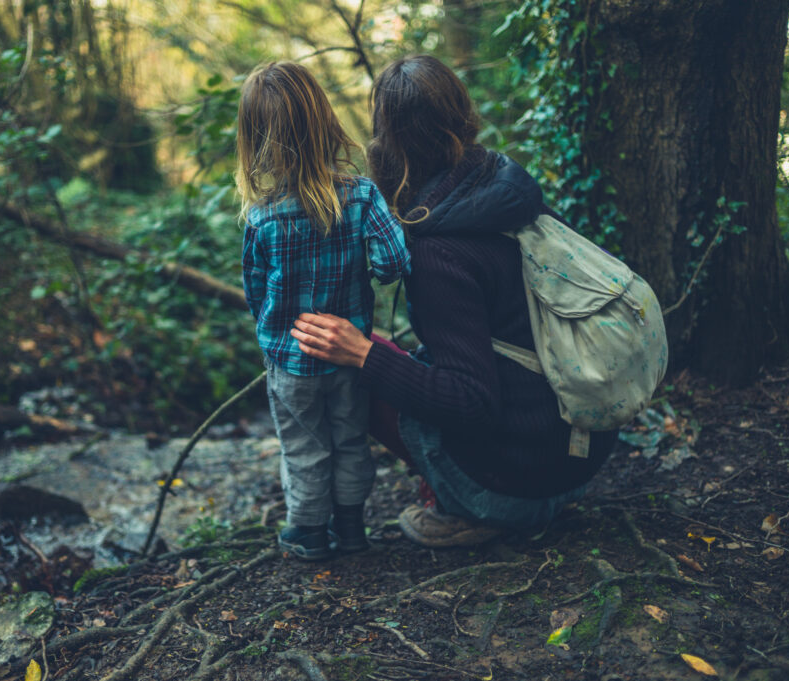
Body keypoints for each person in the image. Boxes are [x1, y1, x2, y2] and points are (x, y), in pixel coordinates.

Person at [290, 55, 617, 548]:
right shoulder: (503, 189)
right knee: (383, 351)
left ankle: (469, 507)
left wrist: (363, 353)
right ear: (462, 116)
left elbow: (471, 402)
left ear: (389, 143)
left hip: (522, 487)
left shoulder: (438, 250)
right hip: (576, 456)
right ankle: (473, 488)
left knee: (350, 358)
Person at [236, 62, 411, 560]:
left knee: (305, 446)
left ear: (255, 140)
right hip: (349, 357)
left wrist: (273, 335)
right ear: (324, 122)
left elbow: (255, 293)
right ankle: (352, 529)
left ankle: (309, 533)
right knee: (351, 440)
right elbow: (394, 261)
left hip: (291, 362)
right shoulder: (360, 196)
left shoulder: (260, 216)